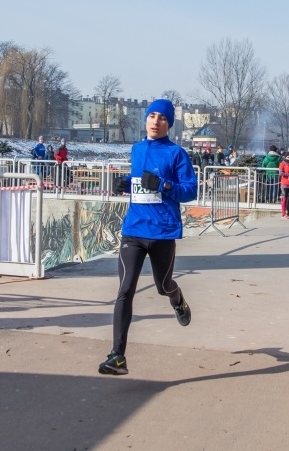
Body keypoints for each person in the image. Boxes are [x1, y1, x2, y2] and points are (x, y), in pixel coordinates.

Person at [100, 99, 197, 375]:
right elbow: (138, 185)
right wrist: (123, 186)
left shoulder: (177, 154)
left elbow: (190, 191)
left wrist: (166, 185)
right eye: (152, 116)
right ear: (145, 120)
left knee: (162, 285)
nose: (156, 121)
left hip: (163, 232)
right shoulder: (137, 149)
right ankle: (117, 356)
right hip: (134, 229)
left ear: (170, 123)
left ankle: (177, 298)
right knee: (125, 290)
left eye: (162, 118)